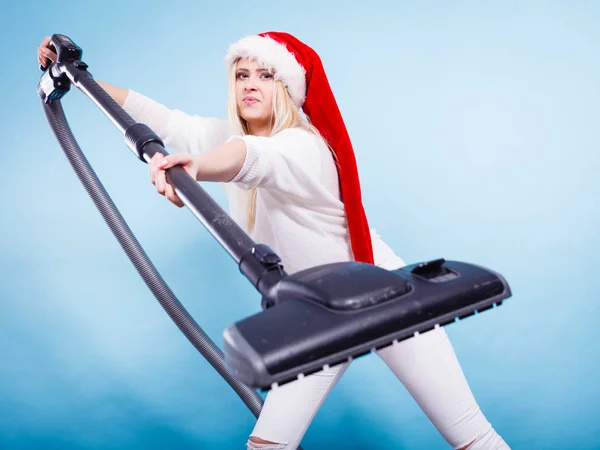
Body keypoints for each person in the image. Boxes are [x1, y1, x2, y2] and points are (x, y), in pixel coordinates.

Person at [38, 32, 510, 450]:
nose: (249, 83)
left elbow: (254, 158)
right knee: (267, 445)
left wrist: (195, 169)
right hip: (317, 317)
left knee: (470, 436)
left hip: (388, 300)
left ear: (286, 88)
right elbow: (159, 117)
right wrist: (78, 77)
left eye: (265, 75)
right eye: (242, 74)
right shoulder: (225, 133)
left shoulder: (305, 145)